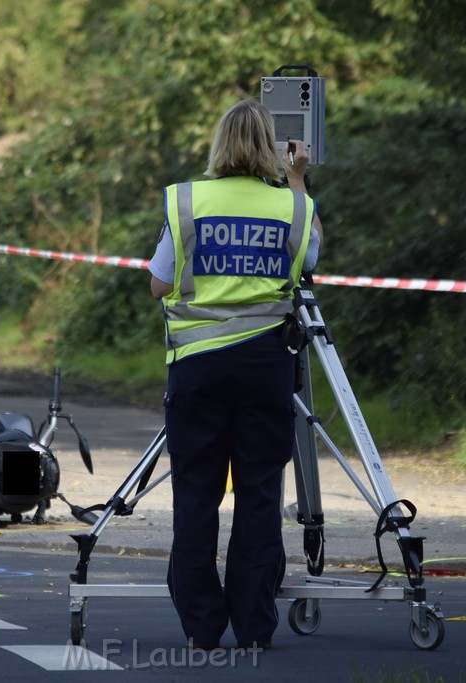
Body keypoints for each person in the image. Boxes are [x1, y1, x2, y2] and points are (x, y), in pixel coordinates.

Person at [147, 98, 323, 650]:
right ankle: (253, 624)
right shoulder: (292, 207)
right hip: (267, 368)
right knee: (258, 491)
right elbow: (309, 259)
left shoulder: (187, 202)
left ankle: (202, 624)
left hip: (197, 372)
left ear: (218, 143)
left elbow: (159, 283)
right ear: (273, 145)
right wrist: (296, 179)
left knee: (196, 493)